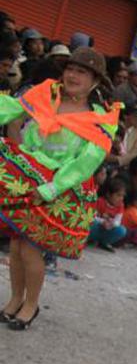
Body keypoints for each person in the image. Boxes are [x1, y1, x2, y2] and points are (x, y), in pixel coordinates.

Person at [0, 48, 120, 330]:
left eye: (81, 72)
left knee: (31, 248)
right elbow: (9, 109)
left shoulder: (101, 118)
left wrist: (52, 188)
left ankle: (31, 305)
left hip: (60, 186)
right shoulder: (46, 93)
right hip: (27, 174)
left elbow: (87, 162)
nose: (72, 75)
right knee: (16, 246)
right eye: (70, 69)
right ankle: (15, 299)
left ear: (94, 81)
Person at [88, 176, 128, 252]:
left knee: (122, 230)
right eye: (118, 195)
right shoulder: (100, 201)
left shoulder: (121, 205)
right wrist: (102, 222)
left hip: (108, 228)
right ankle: (88, 239)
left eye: (123, 196)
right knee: (92, 223)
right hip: (97, 226)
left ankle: (104, 242)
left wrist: (112, 224)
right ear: (108, 194)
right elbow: (92, 216)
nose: (121, 198)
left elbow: (117, 221)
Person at [108, 101, 137, 168]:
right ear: (125, 116)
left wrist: (118, 159)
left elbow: (135, 154)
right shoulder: (112, 126)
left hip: (127, 166)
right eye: (135, 116)